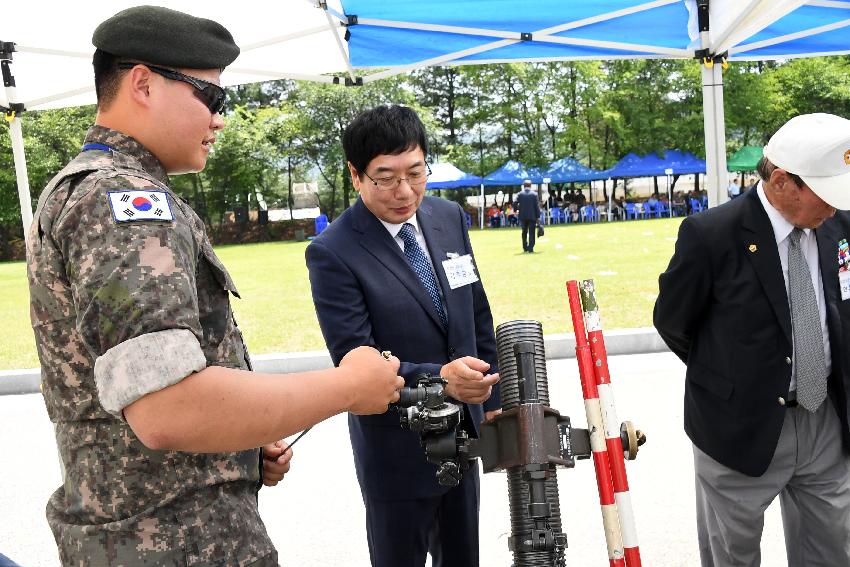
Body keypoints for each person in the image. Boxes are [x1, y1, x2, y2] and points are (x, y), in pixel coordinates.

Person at [26, 7, 404, 565]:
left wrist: (238, 449)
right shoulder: (122, 203)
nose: (220, 119)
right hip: (174, 545)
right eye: (212, 98)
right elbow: (169, 409)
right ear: (144, 84)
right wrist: (348, 388)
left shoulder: (101, 190)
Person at [305, 105, 501, 567]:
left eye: (416, 172)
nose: (405, 191)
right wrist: (441, 380)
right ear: (356, 175)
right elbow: (357, 358)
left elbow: (475, 312)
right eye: (386, 178)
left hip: (463, 435)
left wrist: (492, 403)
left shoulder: (446, 217)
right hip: (396, 447)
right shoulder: (333, 252)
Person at [653, 113, 850, 566]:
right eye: (826, 193)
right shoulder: (710, 236)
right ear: (782, 181)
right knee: (733, 556)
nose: (834, 207)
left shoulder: (836, 226)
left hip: (824, 422)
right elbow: (673, 322)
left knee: (831, 551)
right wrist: (733, 380)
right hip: (739, 428)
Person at [516, 179, 541, 252]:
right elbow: (536, 206)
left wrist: (516, 210)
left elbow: (515, 202)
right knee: (531, 232)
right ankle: (531, 248)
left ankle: (524, 247)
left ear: (524, 186)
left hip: (522, 216)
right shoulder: (534, 194)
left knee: (524, 231)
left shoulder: (520, 194)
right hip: (532, 216)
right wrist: (538, 216)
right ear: (530, 185)